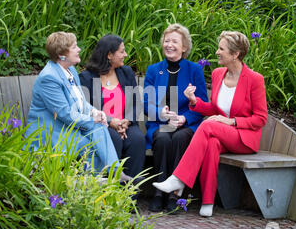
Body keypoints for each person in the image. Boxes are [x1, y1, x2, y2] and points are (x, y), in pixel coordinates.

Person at [152, 31, 268, 217]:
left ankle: (179, 179)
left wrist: (231, 121)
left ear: (235, 54)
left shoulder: (255, 79)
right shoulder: (218, 74)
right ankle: (208, 202)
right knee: (212, 143)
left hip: (243, 138)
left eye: (221, 49)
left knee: (207, 126)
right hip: (221, 134)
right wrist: (194, 101)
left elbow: (261, 118)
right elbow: (214, 108)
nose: (216, 52)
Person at [25, 31, 134, 181]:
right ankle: (96, 180)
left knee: (99, 127)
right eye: (74, 47)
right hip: (52, 132)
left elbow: (81, 103)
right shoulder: (49, 78)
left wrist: (97, 113)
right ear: (62, 54)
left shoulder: (71, 71)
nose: (79, 49)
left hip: (68, 129)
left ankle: (110, 173)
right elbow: (64, 114)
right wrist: (94, 119)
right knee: (92, 140)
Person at [144, 23, 208, 213]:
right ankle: (158, 193)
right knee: (163, 138)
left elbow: (201, 102)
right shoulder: (154, 70)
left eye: (174, 41)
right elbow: (146, 102)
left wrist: (184, 119)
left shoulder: (194, 70)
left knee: (180, 138)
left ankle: (174, 194)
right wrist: (161, 113)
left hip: (186, 125)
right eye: (167, 40)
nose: (169, 45)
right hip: (161, 123)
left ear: (184, 47)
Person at [79, 34, 146, 179]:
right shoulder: (87, 77)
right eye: (122, 51)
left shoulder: (126, 72)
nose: (125, 55)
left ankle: (130, 196)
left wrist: (126, 121)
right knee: (113, 138)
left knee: (138, 140)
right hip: (101, 126)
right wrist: (110, 121)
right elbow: (87, 108)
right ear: (109, 55)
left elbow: (136, 103)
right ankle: (108, 194)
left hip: (126, 124)